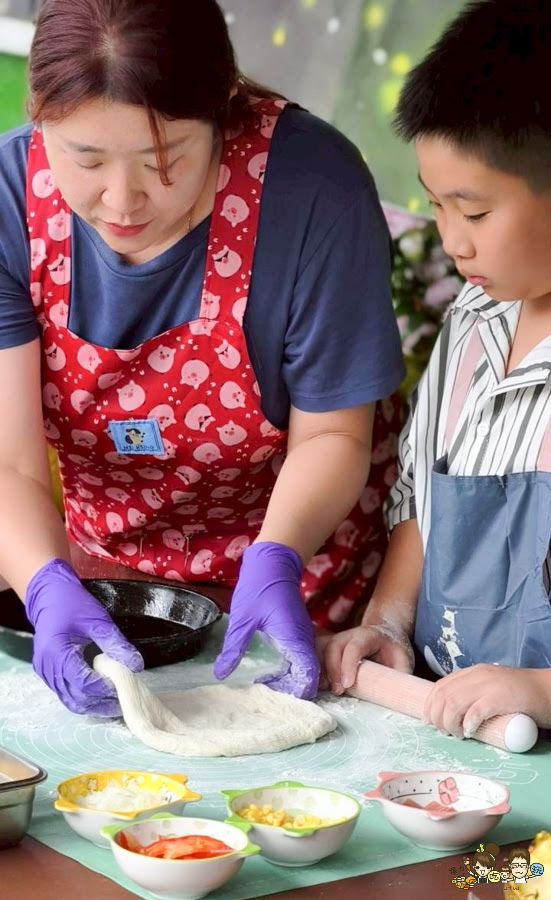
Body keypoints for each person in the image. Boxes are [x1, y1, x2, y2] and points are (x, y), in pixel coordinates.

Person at [0, 0, 405, 715]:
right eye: (84, 159)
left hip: (300, 591)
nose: (122, 201)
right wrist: (42, 583)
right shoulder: (9, 198)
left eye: (166, 161)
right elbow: (12, 462)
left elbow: (334, 434)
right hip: (111, 592)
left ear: (223, 110)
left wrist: (277, 557)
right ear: (38, 119)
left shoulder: (311, 187)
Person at [317, 0, 551, 734]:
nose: (452, 242)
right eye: (434, 207)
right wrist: (386, 622)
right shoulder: (472, 323)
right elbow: (421, 503)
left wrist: (542, 690)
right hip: (458, 745)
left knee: (518, 863)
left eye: (474, 213)